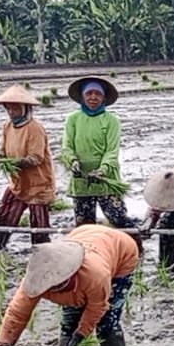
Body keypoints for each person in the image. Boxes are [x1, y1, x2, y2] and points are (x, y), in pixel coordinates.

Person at [0, 224, 140, 346]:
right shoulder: (35, 280)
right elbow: (17, 314)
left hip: (122, 251)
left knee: (107, 319)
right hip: (82, 234)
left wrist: (79, 337)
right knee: (71, 316)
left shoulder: (95, 275)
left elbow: (98, 308)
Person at [59, 76, 136, 232]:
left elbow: (111, 151)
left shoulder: (111, 120)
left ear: (104, 98)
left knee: (119, 220)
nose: (93, 97)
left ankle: (135, 245)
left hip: (106, 180)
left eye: (98, 94)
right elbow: (66, 147)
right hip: (81, 180)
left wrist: (103, 169)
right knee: (84, 227)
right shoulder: (73, 120)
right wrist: (72, 161)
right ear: (82, 97)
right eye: (89, 93)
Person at [0, 84, 56, 251]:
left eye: (16, 108)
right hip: (18, 182)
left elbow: (36, 158)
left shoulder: (35, 128)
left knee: (38, 222)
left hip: (38, 183)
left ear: (26, 108)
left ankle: (42, 252)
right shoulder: (7, 126)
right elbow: (3, 150)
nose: (12, 112)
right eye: (9, 108)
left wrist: (14, 163)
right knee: (5, 214)